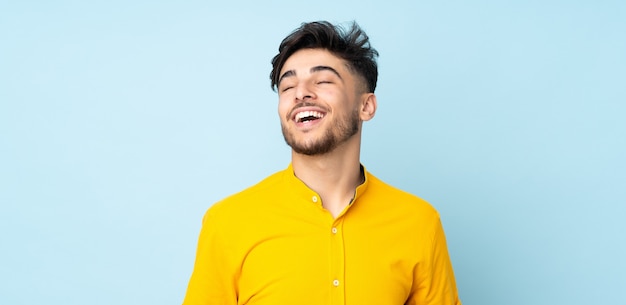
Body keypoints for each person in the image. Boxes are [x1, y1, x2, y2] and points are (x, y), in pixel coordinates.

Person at [183, 21, 462, 305]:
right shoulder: (228, 222)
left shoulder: (419, 223)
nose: (300, 93)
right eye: (287, 86)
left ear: (366, 106)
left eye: (323, 81)